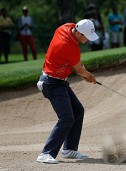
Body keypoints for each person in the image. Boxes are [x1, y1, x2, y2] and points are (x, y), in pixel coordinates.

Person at [36, 19, 98, 164]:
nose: (88, 40)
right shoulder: (68, 46)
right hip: (51, 83)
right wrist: (89, 76)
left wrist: (83, 73)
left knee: (78, 111)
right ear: (79, 33)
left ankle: (69, 149)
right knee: (66, 118)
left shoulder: (66, 27)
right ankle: (46, 153)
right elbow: (79, 69)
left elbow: (77, 65)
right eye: (87, 37)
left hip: (59, 81)